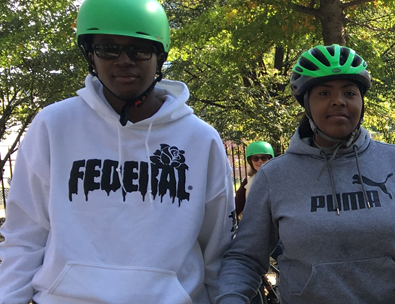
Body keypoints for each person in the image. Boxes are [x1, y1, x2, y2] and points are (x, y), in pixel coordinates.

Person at [0, 0, 236, 302]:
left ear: (160, 56)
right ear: (90, 55)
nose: (124, 60)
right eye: (108, 49)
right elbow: (24, 236)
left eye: (140, 49)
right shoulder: (53, 125)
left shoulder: (201, 140)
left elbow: (217, 248)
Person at [216, 45, 395, 304]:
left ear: (362, 102)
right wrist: (231, 298)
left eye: (349, 92)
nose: (339, 101)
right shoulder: (275, 176)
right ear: (306, 104)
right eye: (324, 93)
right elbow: (245, 258)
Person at [235, 141, 274, 217]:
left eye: (264, 158)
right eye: (255, 158)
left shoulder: (278, 179)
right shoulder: (248, 180)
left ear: (270, 159)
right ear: (250, 161)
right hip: (253, 222)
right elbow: (238, 203)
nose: (260, 161)